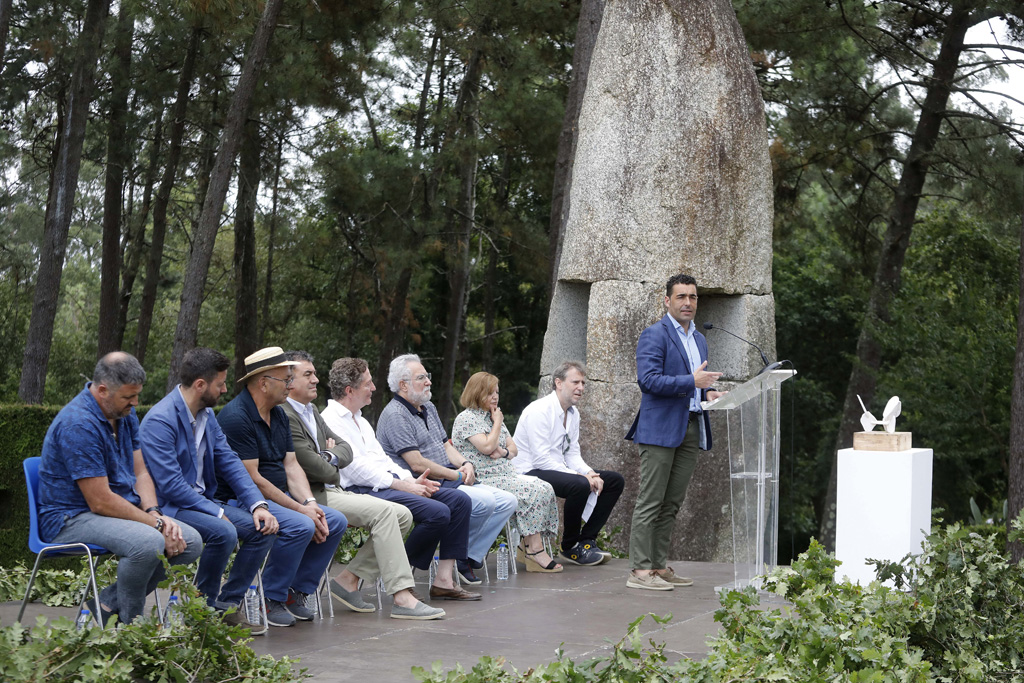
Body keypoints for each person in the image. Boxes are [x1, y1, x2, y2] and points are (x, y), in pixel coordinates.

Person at [38, 352, 202, 625]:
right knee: (148, 543)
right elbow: (100, 501)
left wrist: (154, 512)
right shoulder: (78, 424)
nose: (135, 402)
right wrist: (157, 525)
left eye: (137, 395)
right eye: (128, 396)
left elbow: (140, 472)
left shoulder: (124, 413)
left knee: (191, 541)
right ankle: (132, 627)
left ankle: (105, 606)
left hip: (110, 509)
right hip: (69, 518)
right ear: (103, 390)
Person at [282, 351, 444, 620]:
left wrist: (405, 480)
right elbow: (327, 466)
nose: (315, 380)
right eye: (308, 374)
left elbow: (348, 453)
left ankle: (348, 579)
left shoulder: (315, 412)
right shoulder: (298, 414)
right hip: (315, 493)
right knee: (400, 512)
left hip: (333, 488)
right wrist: (332, 460)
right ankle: (402, 596)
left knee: (403, 515)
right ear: (289, 381)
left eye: (315, 373)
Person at [139, 347, 279, 634]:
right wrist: (215, 511)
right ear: (201, 385)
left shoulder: (206, 415)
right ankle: (202, 608)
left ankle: (226, 606)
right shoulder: (160, 420)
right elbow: (171, 485)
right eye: (220, 384)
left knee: (263, 528)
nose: (225, 389)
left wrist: (258, 505)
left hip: (200, 502)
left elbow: (229, 461)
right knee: (223, 531)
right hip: (170, 507)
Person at [321, 357, 481, 601]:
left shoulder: (360, 420)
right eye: (368, 383)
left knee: (459, 501)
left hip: (386, 484)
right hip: (360, 490)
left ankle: (444, 582)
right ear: (349, 390)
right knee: (437, 512)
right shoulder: (330, 420)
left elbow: (383, 460)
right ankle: (399, 575)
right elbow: (356, 469)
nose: (374, 387)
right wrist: (402, 485)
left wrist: (411, 481)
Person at [216, 347, 347, 626]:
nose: (290, 385)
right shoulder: (237, 417)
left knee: (334, 521)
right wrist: (300, 510)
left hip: (278, 496)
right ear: (264, 383)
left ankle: (294, 592)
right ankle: (269, 598)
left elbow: (291, 465)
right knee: (301, 525)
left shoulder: (278, 414)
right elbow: (252, 479)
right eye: (286, 380)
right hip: (244, 500)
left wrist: (310, 503)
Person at [376, 354, 517, 585]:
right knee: (484, 502)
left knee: (507, 501)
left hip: (447, 477)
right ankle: (456, 557)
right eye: (421, 378)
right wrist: (457, 474)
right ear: (403, 385)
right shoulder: (395, 414)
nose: (429, 381)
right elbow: (416, 463)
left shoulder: (428, 407)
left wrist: (465, 463)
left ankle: (467, 555)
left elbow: (445, 446)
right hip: (421, 482)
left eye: (427, 376)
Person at [625, 274, 726, 591]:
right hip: (659, 429)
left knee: (671, 503)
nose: (687, 302)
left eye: (693, 297)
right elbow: (648, 381)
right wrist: (691, 383)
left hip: (692, 426)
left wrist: (708, 393)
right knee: (651, 501)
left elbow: (696, 385)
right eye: (681, 296)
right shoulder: (654, 335)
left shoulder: (699, 339)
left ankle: (658, 565)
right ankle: (639, 570)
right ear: (667, 301)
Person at [514, 361, 625, 567]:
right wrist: (582, 477)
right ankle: (569, 546)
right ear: (558, 383)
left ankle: (586, 541)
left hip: (554, 467)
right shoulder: (539, 410)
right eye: (575, 382)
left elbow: (572, 454)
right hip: (528, 471)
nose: (581, 387)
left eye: (583, 383)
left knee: (613, 481)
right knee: (580, 484)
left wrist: (590, 472)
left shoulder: (573, 413)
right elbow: (541, 459)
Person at [451, 372, 562, 573]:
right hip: (484, 478)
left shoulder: (493, 416)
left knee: (545, 487)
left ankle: (527, 545)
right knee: (532, 491)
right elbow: (487, 447)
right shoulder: (466, 418)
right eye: (490, 393)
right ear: (476, 393)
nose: (495, 397)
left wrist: (502, 452)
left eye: (497, 392)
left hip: (507, 475)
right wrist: (497, 424)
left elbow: (513, 449)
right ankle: (534, 550)